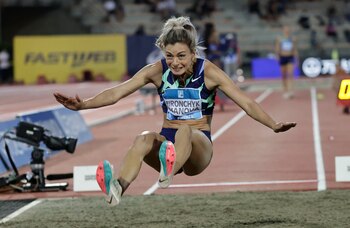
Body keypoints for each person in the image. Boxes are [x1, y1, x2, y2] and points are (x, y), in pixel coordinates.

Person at [54, 16, 297, 206]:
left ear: (193, 53)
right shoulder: (157, 71)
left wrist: (273, 124)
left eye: (181, 56)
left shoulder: (209, 71)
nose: (175, 62)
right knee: (143, 138)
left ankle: (168, 170)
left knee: (185, 131)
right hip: (168, 141)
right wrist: (83, 104)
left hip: (198, 146)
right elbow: (118, 92)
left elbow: (247, 103)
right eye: (169, 56)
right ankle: (117, 188)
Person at [275, 25, 298, 99]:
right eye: (285, 30)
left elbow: (294, 49)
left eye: (288, 30)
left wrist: (296, 58)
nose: (287, 31)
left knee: (290, 74)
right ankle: (285, 90)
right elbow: (277, 48)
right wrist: (278, 56)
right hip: (283, 57)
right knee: (284, 75)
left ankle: (291, 91)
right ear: (283, 31)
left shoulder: (293, 39)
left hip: (290, 57)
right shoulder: (279, 39)